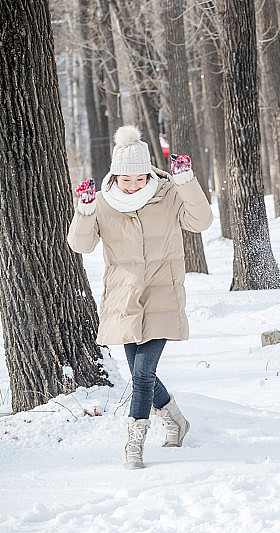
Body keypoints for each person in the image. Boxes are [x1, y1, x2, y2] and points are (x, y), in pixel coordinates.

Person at [67, 125, 213, 469]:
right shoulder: (103, 202)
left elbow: (202, 220)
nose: (132, 185)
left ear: (148, 172)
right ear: (114, 176)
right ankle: (176, 420)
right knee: (139, 372)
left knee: (143, 373)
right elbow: (81, 245)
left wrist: (186, 182)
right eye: (125, 179)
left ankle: (134, 443)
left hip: (163, 291)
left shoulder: (168, 193)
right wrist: (84, 210)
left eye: (138, 178)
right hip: (123, 298)